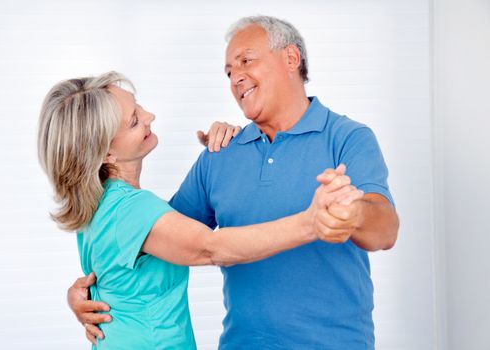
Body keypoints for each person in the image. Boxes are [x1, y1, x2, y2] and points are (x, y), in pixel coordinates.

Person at [70, 16, 399, 349]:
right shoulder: (220, 154)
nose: (236, 77)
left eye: (246, 60)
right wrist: (89, 292)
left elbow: (385, 232)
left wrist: (352, 214)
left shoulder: (347, 138)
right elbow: (158, 244)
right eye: (229, 71)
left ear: (290, 59)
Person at [38, 71, 362, 349]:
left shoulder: (98, 202)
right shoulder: (131, 209)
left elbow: (118, 272)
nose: (149, 115)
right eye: (134, 120)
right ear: (106, 151)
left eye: (138, 106)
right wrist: (311, 223)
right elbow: (211, 248)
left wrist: (229, 144)